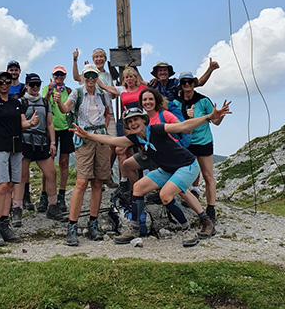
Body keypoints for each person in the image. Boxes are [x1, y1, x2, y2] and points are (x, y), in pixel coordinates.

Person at [71, 101, 231, 247]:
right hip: (168, 169)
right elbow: (112, 140)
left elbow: (183, 127)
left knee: (165, 195)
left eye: (136, 119)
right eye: (130, 121)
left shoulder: (156, 129)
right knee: (138, 188)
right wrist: (88, 135)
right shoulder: (136, 138)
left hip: (187, 165)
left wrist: (209, 117)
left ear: (143, 120)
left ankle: (187, 230)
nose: (133, 123)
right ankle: (134, 229)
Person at [123, 87, 216, 238]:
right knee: (133, 175)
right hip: (160, 160)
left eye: (150, 99)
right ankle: (135, 218)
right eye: (144, 100)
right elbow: (119, 139)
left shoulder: (163, 116)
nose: (147, 102)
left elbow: (183, 128)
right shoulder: (139, 122)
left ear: (156, 101)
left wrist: (208, 117)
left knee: (172, 192)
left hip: (176, 158)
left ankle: (195, 225)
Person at [54, 63, 110, 247]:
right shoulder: (77, 93)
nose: (91, 79)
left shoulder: (103, 94)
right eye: (87, 76)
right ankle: (72, 226)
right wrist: (58, 102)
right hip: (84, 139)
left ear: (97, 77)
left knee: (97, 181)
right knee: (81, 181)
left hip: (100, 138)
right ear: (83, 78)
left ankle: (92, 223)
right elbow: (65, 110)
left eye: (93, 75)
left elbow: (107, 113)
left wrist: (103, 129)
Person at [0, 71, 39, 246]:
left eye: (7, 81)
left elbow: (21, 123)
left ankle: (4, 224)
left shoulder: (16, 103)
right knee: (0, 186)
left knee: (10, 186)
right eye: (0, 82)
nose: (4, 84)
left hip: (15, 148)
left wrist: (31, 123)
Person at [11, 73, 66, 227]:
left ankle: (52, 206)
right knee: (21, 176)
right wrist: (30, 122)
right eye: (32, 85)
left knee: (51, 173)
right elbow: (18, 123)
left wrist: (53, 142)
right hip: (25, 142)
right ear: (26, 85)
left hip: (41, 142)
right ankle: (17, 209)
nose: (35, 88)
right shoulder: (20, 102)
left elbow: (49, 124)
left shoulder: (44, 102)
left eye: (37, 85)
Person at [173, 71, 226, 225]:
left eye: (190, 82)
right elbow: (175, 123)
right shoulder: (176, 102)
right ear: (180, 85)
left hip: (203, 142)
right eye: (184, 82)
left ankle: (211, 209)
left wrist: (220, 115)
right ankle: (192, 200)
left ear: (194, 83)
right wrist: (187, 117)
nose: (187, 85)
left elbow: (216, 122)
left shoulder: (203, 100)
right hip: (186, 142)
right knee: (186, 175)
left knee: (208, 175)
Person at [73, 48, 118, 186]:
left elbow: (114, 94)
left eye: (101, 56)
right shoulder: (89, 75)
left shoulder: (109, 76)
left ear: (105, 59)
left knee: (113, 146)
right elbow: (76, 78)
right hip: (91, 118)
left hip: (107, 113)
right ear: (93, 59)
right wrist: (75, 60)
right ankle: (97, 176)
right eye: (96, 57)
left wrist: (102, 85)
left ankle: (106, 173)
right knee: (93, 146)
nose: (99, 59)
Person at [42, 65, 75, 213]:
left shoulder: (69, 92)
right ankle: (44, 195)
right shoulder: (46, 89)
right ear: (53, 75)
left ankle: (61, 195)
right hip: (50, 129)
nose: (59, 77)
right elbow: (43, 104)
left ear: (65, 76)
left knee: (64, 162)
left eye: (62, 75)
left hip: (66, 128)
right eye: (57, 75)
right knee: (47, 162)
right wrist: (49, 92)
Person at [6, 60, 34, 210]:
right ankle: (11, 197)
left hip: (23, 127)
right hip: (7, 127)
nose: (13, 72)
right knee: (9, 163)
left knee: (23, 163)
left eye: (16, 70)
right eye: (11, 70)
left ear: (20, 71)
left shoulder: (24, 88)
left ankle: (25, 197)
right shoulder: (3, 87)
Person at [149, 58, 220, 102]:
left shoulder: (175, 83)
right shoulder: (154, 85)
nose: (162, 72)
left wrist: (210, 69)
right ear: (157, 74)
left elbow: (199, 83)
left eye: (165, 70)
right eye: (160, 71)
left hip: (175, 116)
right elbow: (140, 83)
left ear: (168, 73)